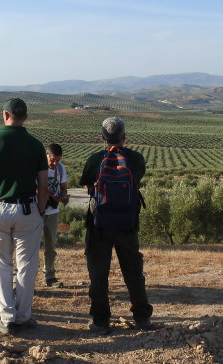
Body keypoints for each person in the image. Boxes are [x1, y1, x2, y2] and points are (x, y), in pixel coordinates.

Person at [79, 116, 157, 335]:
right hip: (127, 224)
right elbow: (136, 181)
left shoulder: (95, 159)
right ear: (124, 137)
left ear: (103, 137)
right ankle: (142, 318)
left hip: (99, 225)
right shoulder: (137, 159)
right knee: (133, 273)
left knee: (98, 274)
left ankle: (100, 321)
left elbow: (87, 185)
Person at [0, 98, 48, 334]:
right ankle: (23, 316)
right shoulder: (36, 145)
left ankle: (6, 318)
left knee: (1, 265)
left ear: (4, 114)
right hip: (28, 207)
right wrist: (39, 209)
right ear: (25, 117)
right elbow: (44, 184)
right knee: (28, 265)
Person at [41, 143, 68, 288]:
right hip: (37, 210)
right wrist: (46, 193)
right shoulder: (38, 166)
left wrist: (60, 196)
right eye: (53, 160)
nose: (55, 163)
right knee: (28, 246)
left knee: (51, 245)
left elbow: (64, 188)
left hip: (52, 211)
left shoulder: (60, 168)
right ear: (47, 155)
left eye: (58, 160)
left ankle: (50, 276)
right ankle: (20, 276)